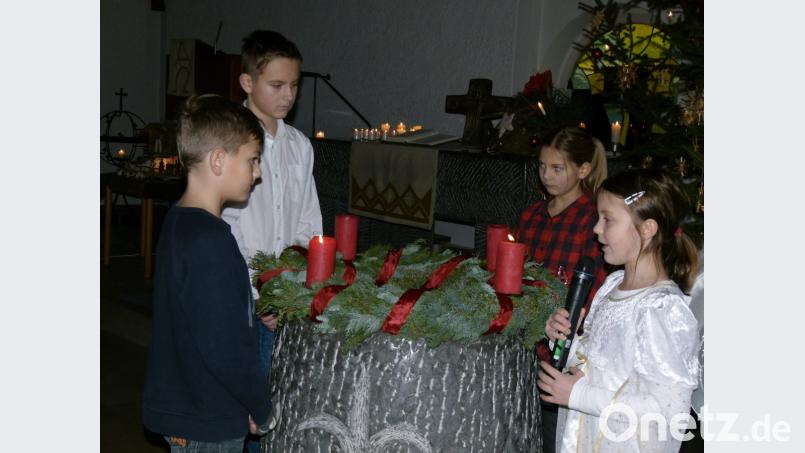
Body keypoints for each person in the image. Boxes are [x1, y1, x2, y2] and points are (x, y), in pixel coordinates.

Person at [538, 168, 700, 453]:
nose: (596, 229)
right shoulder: (612, 284)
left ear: (647, 229)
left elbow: (666, 412)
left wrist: (578, 394)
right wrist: (566, 339)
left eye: (607, 220)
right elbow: (600, 363)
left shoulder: (661, 309)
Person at [142, 94, 271, 452]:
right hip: (205, 418)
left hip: (192, 406)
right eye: (252, 160)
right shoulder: (209, 241)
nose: (257, 174)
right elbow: (223, 344)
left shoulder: (178, 221)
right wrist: (260, 404)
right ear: (218, 160)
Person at [221, 29, 324, 453]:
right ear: (248, 82)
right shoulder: (229, 142)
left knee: (279, 404)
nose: (288, 96)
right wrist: (261, 293)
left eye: (294, 85)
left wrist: (294, 288)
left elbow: (306, 221)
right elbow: (228, 228)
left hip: (285, 299)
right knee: (244, 409)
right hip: (243, 300)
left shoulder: (299, 146)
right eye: (276, 85)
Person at [514, 126, 608, 453]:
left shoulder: (593, 220)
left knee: (553, 435)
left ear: (583, 170)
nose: (546, 176)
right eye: (542, 166)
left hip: (560, 352)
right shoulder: (532, 215)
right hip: (523, 342)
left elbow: (590, 292)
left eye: (557, 168)